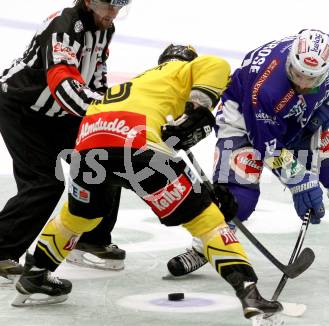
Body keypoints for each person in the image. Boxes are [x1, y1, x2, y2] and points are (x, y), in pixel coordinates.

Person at [11, 44, 284, 321]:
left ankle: (35, 276)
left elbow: (166, 141)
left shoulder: (140, 83)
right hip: (136, 146)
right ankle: (251, 295)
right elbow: (216, 64)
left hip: (88, 147)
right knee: (207, 220)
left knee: (79, 216)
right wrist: (198, 109)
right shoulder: (183, 70)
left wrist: (196, 182)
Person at [167, 29, 329, 277]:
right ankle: (203, 248)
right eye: (297, 75)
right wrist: (298, 179)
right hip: (242, 118)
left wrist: (318, 109)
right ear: (289, 62)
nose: (303, 83)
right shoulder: (266, 89)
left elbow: (319, 90)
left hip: (290, 115)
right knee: (238, 195)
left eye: (311, 79)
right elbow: (266, 145)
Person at [0, 0, 131, 280]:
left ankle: (90, 238)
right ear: (88, 1)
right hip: (24, 109)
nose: (112, 13)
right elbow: (62, 84)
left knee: (107, 156)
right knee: (45, 181)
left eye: (119, 6)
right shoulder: (65, 25)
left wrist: (109, 110)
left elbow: (96, 73)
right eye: (107, 5)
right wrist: (101, 109)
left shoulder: (104, 26)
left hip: (60, 110)